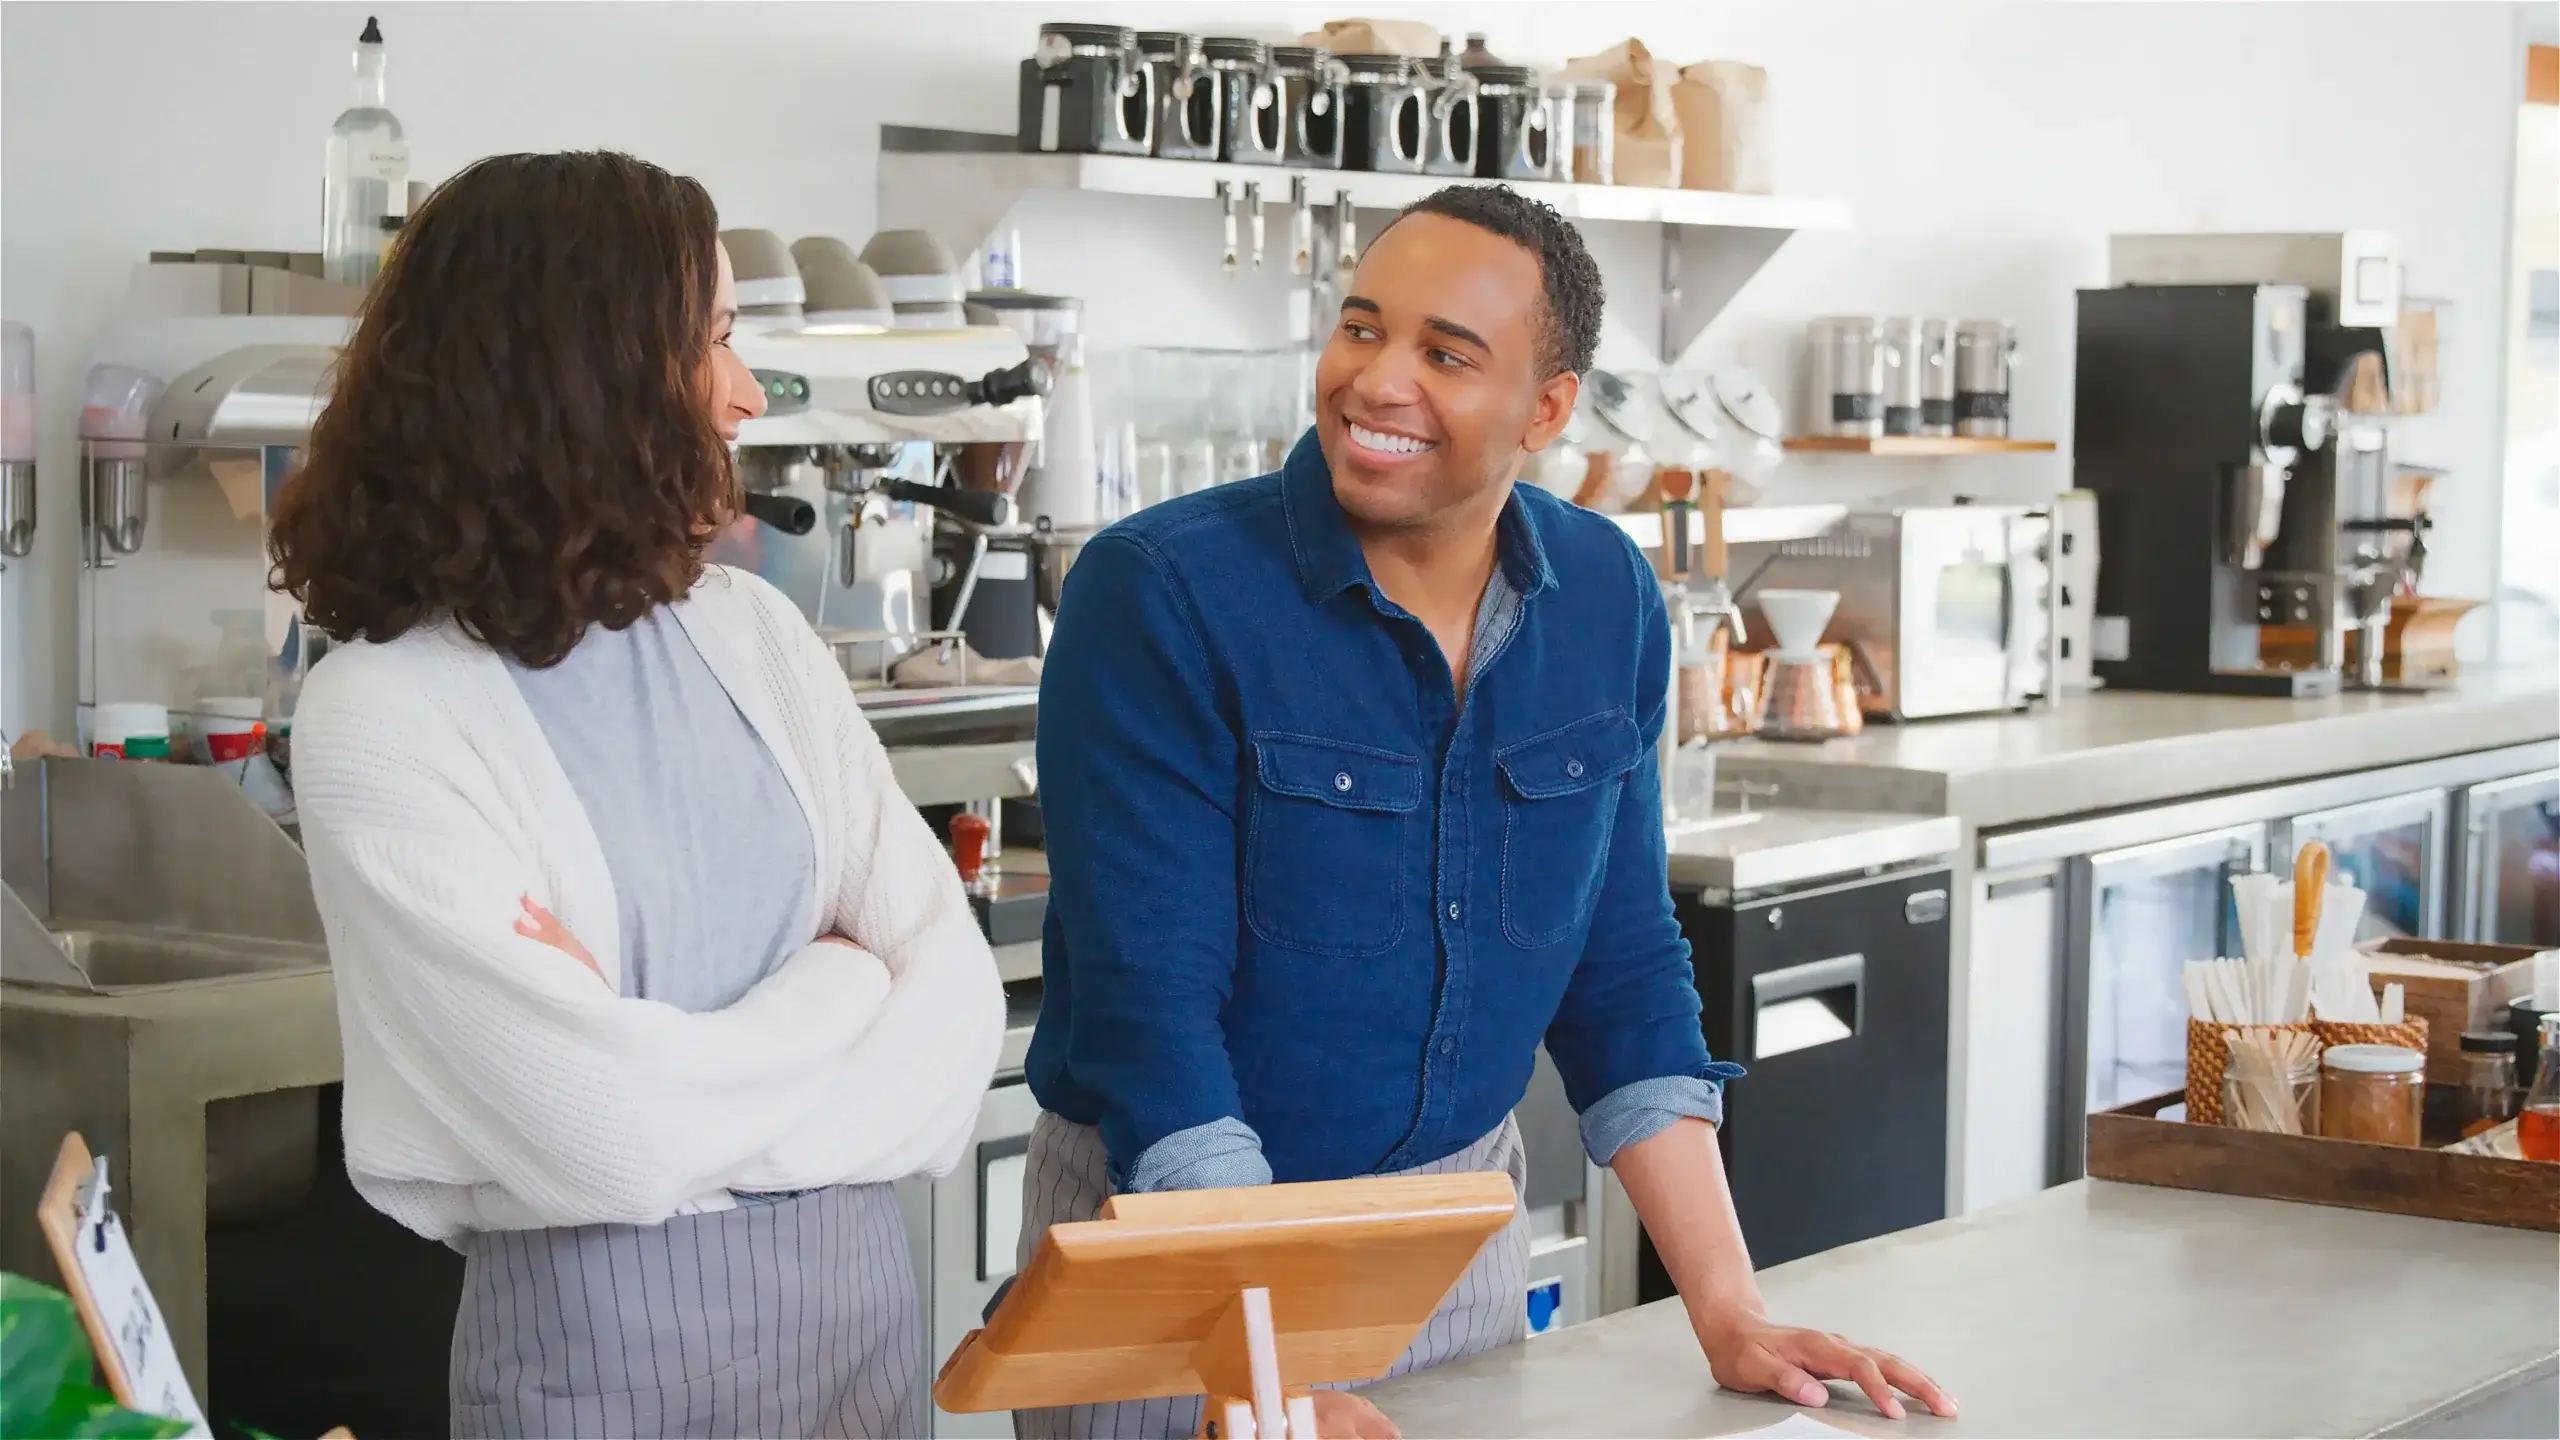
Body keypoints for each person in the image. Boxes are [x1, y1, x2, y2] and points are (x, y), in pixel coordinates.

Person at [1021, 185, 1955, 1439]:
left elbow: (1624, 968)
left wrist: (1731, 1310)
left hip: (1450, 1252)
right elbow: (1148, 1016)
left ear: (1547, 409)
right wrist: (1270, 1368)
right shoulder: (1162, 593)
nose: (1375, 380)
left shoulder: (1606, 594)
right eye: (1361, 328)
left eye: (1446, 354)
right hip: (1176, 1251)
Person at [272, 151, 1004, 1440]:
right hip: (600, 1371)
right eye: (713, 340)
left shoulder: (755, 635)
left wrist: (674, 1086)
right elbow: (607, 1134)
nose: (746, 391)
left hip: (863, 1351)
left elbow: (956, 1033)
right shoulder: (385, 713)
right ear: (581, 382)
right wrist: (843, 986)